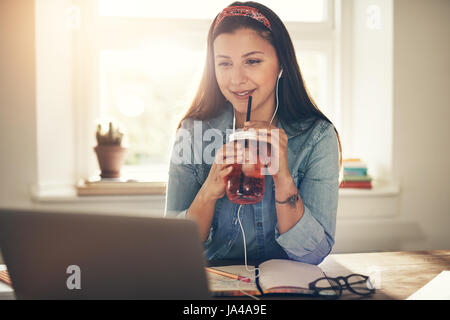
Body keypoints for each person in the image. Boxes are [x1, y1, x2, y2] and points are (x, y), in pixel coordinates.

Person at [165, 1, 342, 265]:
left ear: (281, 63)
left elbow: (315, 253)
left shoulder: (317, 137)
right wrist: (209, 191)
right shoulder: (192, 134)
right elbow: (171, 248)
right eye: (225, 64)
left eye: (253, 61)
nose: (237, 79)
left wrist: (283, 178)